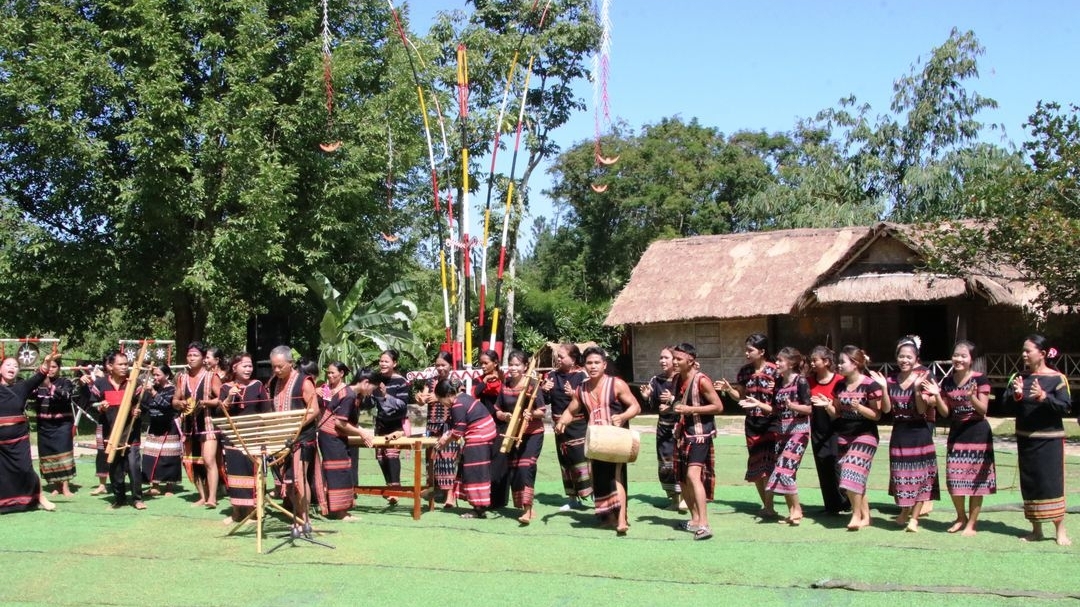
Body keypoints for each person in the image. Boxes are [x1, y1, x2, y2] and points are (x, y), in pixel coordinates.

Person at [556, 346, 640, 535]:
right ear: (584, 365)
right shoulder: (582, 389)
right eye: (589, 363)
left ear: (604, 365)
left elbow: (635, 406)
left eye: (596, 363)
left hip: (616, 439)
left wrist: (624, 416)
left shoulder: (616, 384)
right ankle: (608, 516)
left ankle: (621, 519)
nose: (593, 366)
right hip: (595, 441)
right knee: (600, 478)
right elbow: (571, 410)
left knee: (616, 476)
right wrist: (562, 422)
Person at [924, 340, 995, 536]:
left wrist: (972, 398)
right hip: (957, 433)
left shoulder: (980, 380)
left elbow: (983, 410)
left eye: (963, 356)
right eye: (956, 355)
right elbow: (946, 413)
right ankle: (960, 516)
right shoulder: (948, 381)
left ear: (971, 359)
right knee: (954, 480)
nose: (958, 359)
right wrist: (937, 396)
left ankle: (972, 523)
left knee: (977, 481)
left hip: (978, 433)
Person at [813, 345, 884, 531]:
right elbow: (837, 413)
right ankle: (866, 516)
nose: (839, 366)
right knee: (855, 477)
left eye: (842, 362)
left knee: (849, 473)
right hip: (844, 436)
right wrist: (828, 406)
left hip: (865, 436)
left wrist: (859, 408)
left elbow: (877, 415)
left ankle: (856, 515)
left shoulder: (871, 385)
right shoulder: (840, 385)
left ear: (855, 364)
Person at [1011, 334, 1071, 546]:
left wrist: (1045, 397)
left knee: (1051, 484)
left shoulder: (1057, 379)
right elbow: (1004, 405)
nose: (1024, 354)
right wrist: (1016, 395)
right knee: (1031, 484)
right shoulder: (1019, 377)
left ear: (1042, 354)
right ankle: (1036, 530)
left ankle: (1060, 530)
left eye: (1028, 351)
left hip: (1049, 441)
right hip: (1026, 440)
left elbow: (1065, 406)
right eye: (1023, 350)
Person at [716, 333, 780, 518]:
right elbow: (741, 397)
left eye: (750, 350)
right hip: (752, 423)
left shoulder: (776, 371)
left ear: (762, 352)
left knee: (769, 464)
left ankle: (769, 506)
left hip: (771, 422)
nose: (746, 353)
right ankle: (766, 504)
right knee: (756, 465)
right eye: (746, 349)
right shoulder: (745, 372)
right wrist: (729, 390)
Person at [884, 336, 939, 533]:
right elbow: (885, 409)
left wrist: (917, 390)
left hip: (920, 432)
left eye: (908, 357)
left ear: (916, 358)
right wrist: (883, 388)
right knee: (901, 475)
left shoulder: (925, 376)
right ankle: (904, 510)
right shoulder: (890, 378)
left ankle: (914, 518)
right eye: (901, 356)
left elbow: (924, 408)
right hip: (899, 431)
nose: (904, 360)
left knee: (920, 476)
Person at [79, 350, 146, 510]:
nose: (125, 367)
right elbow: (91, 404)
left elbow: (142, 404)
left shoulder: (133, 383)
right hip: (110, 432)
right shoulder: (100, 384)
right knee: (115, 467)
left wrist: (137, 411)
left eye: (126, 364)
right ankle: (119, 498)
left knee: (133, 465)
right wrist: (100, 406)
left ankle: (137, 498)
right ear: (110, 366)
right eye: (120, 364)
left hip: (130, 432)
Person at [669, 343, 723, 540]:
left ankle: (705, 524)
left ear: (690, 360)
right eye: (673, 358)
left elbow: (718, 406)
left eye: (678, 359)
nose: (674, 362)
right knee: (683, 479)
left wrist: (692, 410)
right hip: (682, 434)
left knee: (693, 475)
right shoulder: (677, 379)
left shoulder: (702, 380)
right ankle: (694, 520)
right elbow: (679, 403)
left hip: (700, 435)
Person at [266, 345, 320, 536]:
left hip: (302, 437)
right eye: (274, 367)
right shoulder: (273, 383)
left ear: (291, 363)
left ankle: (305, 519)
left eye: (280, 366)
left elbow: (314, 410)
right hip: (282, 439)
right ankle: (296, 516)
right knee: (288, 482)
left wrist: (294, 429)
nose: (276, 370)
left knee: (298, 478)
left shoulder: (304, 382)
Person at [0, 353, 59, 513]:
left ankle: (39, 497)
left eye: (15, 366)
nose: (12, 368)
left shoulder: (22, 387)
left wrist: (47, 363)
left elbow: (40, 375)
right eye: (8, 365)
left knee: (26, 469)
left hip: (18, 437)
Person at [494, 350, 546, 525]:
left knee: (526, 467)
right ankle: (522, 505)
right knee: (515, 470)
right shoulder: (506, 385)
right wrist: (504, 416)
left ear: (525, 367)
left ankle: (528, 509)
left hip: (532, 434)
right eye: (511, 364)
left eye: (517, 365)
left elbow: (542, 411)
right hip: (512, 434)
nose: (514, 368)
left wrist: (530, 413)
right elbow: (498, 410)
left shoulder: (532, 385)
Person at [762, 347, 812, 526]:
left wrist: (794, 407)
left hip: (799, 431)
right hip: (782, 433)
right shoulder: (777, 382)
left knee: (784, 469)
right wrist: (757, 404)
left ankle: (797, 510)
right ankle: (792, 511)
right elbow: (775, 409)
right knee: (789, 471)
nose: (776, 364)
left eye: (780, 361)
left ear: (791, 363)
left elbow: (809, 408)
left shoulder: (801, 381)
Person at [218, 353, 270, 524]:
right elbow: (220, 413)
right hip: (233, 437)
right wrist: (229, 397)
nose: (248, 369)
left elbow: (266, 411)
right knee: (234, 474)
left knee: (252, 474)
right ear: (235, 368)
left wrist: (265, 435)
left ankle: (252, 512)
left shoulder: (258, 385)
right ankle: (236, 512)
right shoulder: (225, 388)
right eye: (244, 366)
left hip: (254, 437)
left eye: (250, 366)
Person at [435, 379, 497, 519]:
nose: (442, 404)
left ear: (448, 395)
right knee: (471, 470)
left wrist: (445, 440)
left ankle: (479, 508)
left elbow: (458, 432)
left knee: (474, 472)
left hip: (480, 436)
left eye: (441, 400)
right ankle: (479, 506)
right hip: (484, 435)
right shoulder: (462, 397)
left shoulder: (458, 404)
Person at [542, 343, 591, 511]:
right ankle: (572, 498)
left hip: (578, 425)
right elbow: (546, 401)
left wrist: (575, 395)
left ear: (573, 359)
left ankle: (592, 493)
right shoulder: (551, 375)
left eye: (562, 356)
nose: (558, 359)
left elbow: (590, 400)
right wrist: (544, 390)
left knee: (581, 459)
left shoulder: (582, 376)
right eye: (558, 356)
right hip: (559, 427)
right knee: (565, 461)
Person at [173, 342, 223, 508]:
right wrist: (179, 404)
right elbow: (175, 400)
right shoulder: (182, 378)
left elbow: (221, 399)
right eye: (189, 355)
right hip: (189, 426)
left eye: (195, 355)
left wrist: (205, 402)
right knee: (192, 462)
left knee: (209, 460)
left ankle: (212, 497)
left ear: (203, 358)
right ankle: (202, 496)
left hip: (208, 424)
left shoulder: (211, 377)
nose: (191, 358)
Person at [807, 346, 850, 515]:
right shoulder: (809, 381)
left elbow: (840, 411)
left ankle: (847, 502)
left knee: (837, 467)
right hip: (817, 427)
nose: (812, 363)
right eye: (811, 360)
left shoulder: (839, 381)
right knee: (823, 466)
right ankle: (831, 506)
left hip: (837, 427)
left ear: (826, 362)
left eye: (815, 360)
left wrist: (828, 405)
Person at [416, 351, 462, 508]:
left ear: (450, 365)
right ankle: (433, 493)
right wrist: (420, 399)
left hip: (449, 424)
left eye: (443, 365)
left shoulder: (455, 382)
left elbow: (459, 399)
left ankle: (450, 496)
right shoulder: (430, 382)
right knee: (432, 460)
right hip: (432, 425)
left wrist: (438, 398)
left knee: (449, 459)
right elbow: (423, 398)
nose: (440, 368)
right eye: (437, 365)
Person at [315, 361, 359, 520]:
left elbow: (343, 421)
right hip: (328, 436)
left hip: (337, 436)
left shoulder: (346, 393)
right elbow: (322, 408)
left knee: (341, 469)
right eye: (328, 373)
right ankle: (338, 511)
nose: (330, 375)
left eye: (333, 373)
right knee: (335, 470)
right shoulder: (327, 390)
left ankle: (341, 509)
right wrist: (315, 393)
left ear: (342, 374)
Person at [639, 346, 682, 511]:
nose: (662, 361)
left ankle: (686, 498)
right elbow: (652, 404)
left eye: (666, 358)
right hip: (664, 429)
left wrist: (672, 402)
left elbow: (690, 400)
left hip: (681, 428)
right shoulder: (656, 380)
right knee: (665, 464)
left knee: (683, 462)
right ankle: (674, 499)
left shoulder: (683, 379)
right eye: (661, 358)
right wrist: (646, 397)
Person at [29, 356, 77, 496]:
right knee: (48, 454)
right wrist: (36, 379)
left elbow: (66, 396)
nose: (50, 370)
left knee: (63, 454)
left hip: (62, 425)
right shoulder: (37, 384)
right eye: (48, 367)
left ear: (59, 368)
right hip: (44, 425)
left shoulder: (65, 382)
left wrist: (49, 385)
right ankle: (56, 485)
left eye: (54, 367)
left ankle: (66, 487)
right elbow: (28, 394)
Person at [473, 348, 509, 509]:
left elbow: (506, 395)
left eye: (486, 363)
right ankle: (486, 498)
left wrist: (497, 380)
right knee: (486, 461)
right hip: (485, 424)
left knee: (500, 460)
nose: (483, 366)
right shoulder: (480, 379)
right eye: (481, 363)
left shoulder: (504, 379)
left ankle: (500, 500)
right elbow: (475, 394)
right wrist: (485, 380)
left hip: (502, 424)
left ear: (495, 363)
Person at [140, 364, 182, 497]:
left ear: (167, 376)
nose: (155, 377)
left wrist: (153, 392)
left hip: (169, 425)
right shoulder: (153, 389)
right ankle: (155, 486)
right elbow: (145, 405)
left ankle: (169, 486)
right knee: (150, 455)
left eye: (158, 375)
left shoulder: (173, 390)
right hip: (155, 425)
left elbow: (167, 405)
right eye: (154, 375)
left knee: (168, 456)